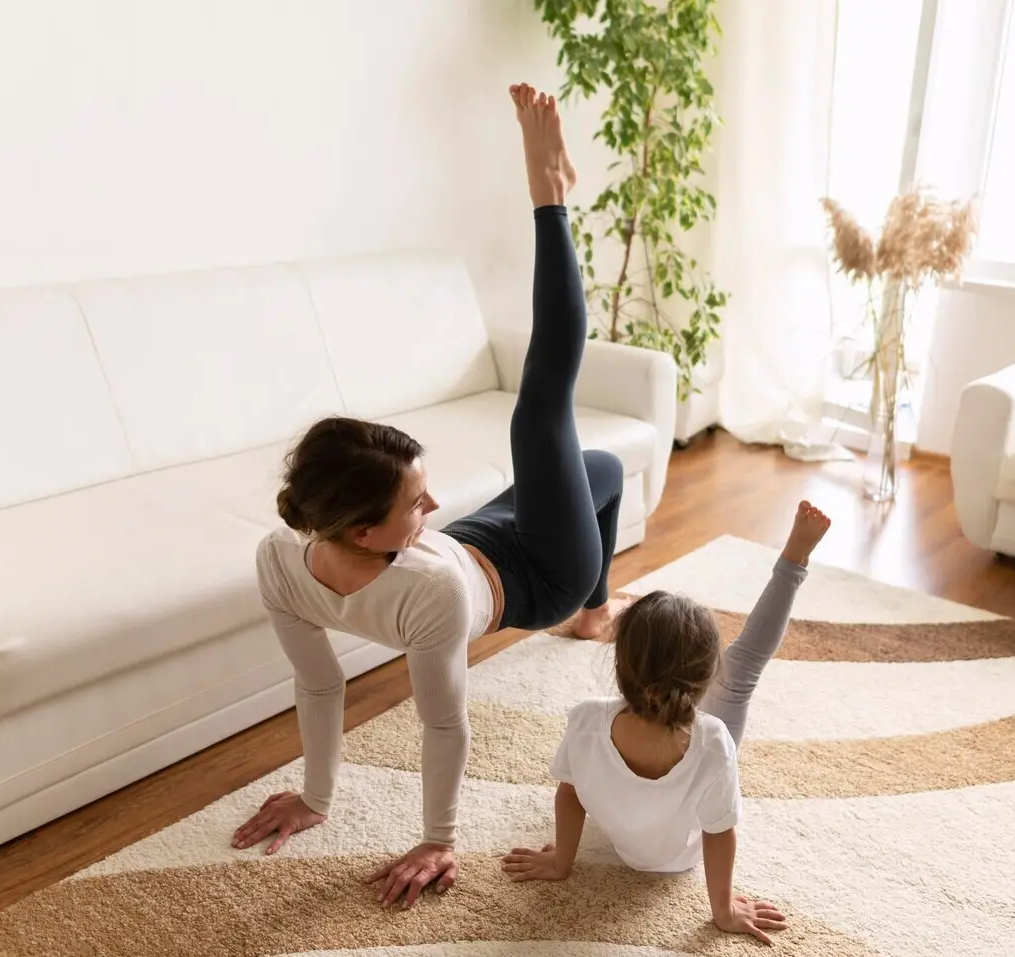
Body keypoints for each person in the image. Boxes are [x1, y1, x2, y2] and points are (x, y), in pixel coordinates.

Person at [230, 82, 629, 911]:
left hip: (498, 552)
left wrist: (438, 837)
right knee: (553, 429)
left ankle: (597, 611)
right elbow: (337, 691)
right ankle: (550, 197)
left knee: (579, 447)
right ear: (361, 530)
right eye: (417, 502)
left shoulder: (413, 560)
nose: (434, 500)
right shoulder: (288, 565)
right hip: (536, 570)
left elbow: (442, 709)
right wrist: (322, 798)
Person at [500, 501, 833, 946]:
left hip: (627, 847)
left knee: (740, 669)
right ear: (705, 677)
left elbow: (570, 793)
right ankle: (794, 560)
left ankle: (792, 559)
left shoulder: (586, 719)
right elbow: (719, 831)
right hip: (681, 859)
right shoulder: (713, 741)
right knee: (745, 667)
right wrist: (723, 910)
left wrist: (562, 861)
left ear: (619, 667)